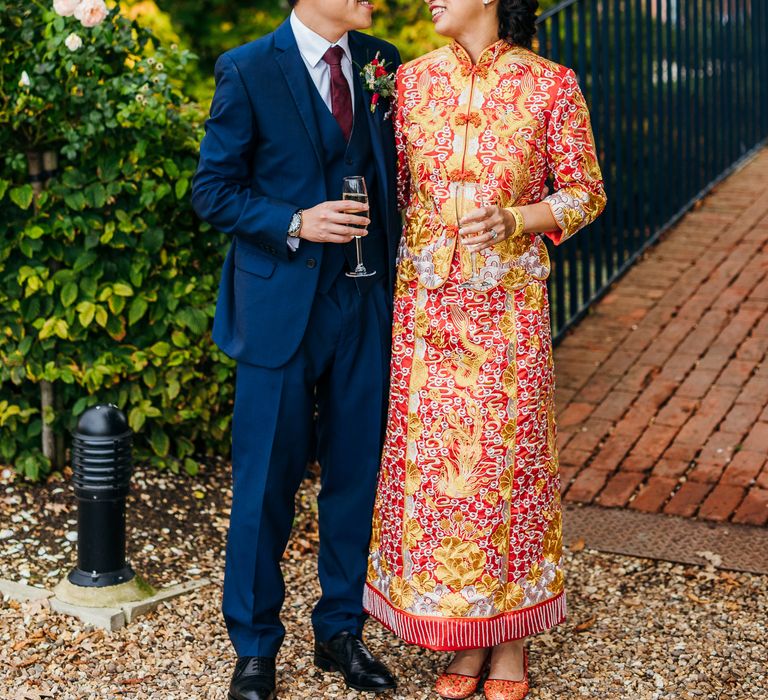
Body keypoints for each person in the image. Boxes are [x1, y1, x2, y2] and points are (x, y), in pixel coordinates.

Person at [363, 1, 607, 698]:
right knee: (440, 482)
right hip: (425, 321)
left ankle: (512, 641)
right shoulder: (407, 84)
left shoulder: (552, 85)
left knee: (510, 473)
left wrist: (514, 218)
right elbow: (397, 194)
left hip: (508, 320)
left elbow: (586, 194)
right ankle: (462, 637)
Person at [191, 1, 402, 698]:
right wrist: (294, 221)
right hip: (278, 307)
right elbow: (212, 190)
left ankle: (340, 631)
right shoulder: (249, 69)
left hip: (366, 302)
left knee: (355, 477)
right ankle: (253, 647)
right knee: (263, 485)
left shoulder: (382, 62)